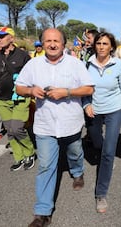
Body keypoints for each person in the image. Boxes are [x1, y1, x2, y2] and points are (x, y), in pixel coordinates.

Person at [15, 28, 94, 227]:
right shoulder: (33, 64)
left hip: (71, 123)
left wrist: (66, 92)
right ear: (42, 43)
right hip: (45, 125)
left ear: (63, 43)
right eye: (48, 40)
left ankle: (77, 172)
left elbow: (89, 88)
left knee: (75, 153)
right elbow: (19, 87)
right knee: (46, 166)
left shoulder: (75, 64)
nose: (52, 44)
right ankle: (42, 212)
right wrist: (31, 90)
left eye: (56, 41)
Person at [82, 32, 121, 213]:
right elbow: (82, 89)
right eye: (99, 43)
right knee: (97, 143)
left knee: (109, 152)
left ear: (112, 47)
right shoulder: (87, 64)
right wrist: (86, 104)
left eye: (105, 43)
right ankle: (105, 157)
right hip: (93, 111)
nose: (101, 46)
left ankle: (101, 193)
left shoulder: (118, 64)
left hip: (114, 110)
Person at [0, 27, 35, 171]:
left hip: (20, 99)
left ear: (11, 38)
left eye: (2, 36)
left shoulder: (23, 56)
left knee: (17, 128)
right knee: (10, 131)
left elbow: (33, 76)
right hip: (2, 100)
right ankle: (19, 157)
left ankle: (29, 152)